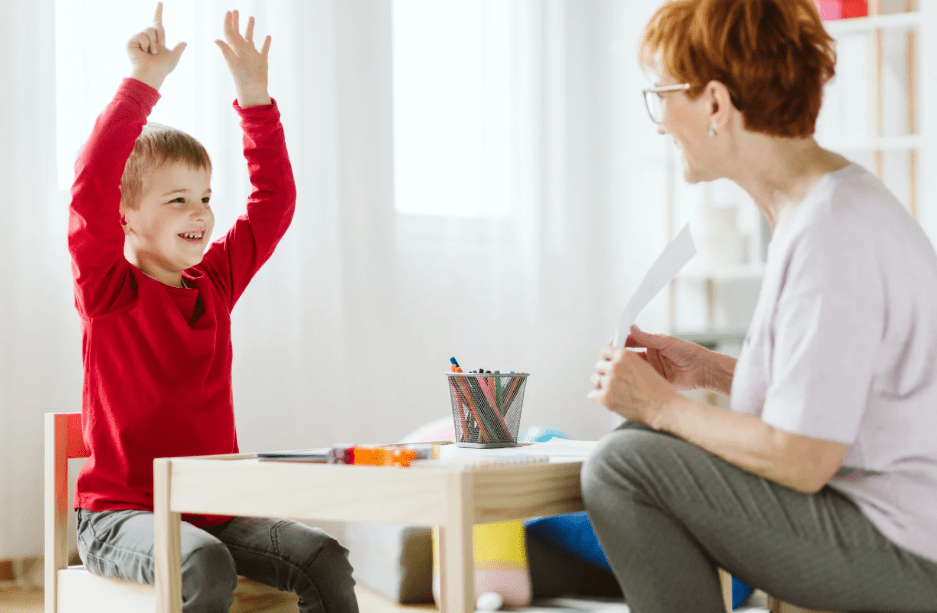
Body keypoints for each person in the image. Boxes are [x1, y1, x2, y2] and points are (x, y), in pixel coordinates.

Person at [582, 0, 937, 611]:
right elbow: (838, 399)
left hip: (907, 551)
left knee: (624, 463)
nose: (660, 121)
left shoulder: (832, 232)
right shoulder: (829, 205)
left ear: (716, 104)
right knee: (638, 443)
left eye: (663, 95)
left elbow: (802, 458)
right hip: (901, 533)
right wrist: (707, 372)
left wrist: (662, 405)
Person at [68, 5, 358, 612]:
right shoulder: (107, 289)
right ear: (126, 218)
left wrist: (255, 96)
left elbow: (273, 203)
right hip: (120, 516)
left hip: (210, 511)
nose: (200, 213)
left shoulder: (214, 284)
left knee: (322, 556)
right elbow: (92, 182)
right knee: (205, 560)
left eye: (204, 197)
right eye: (177, 200)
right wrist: (142, 83)